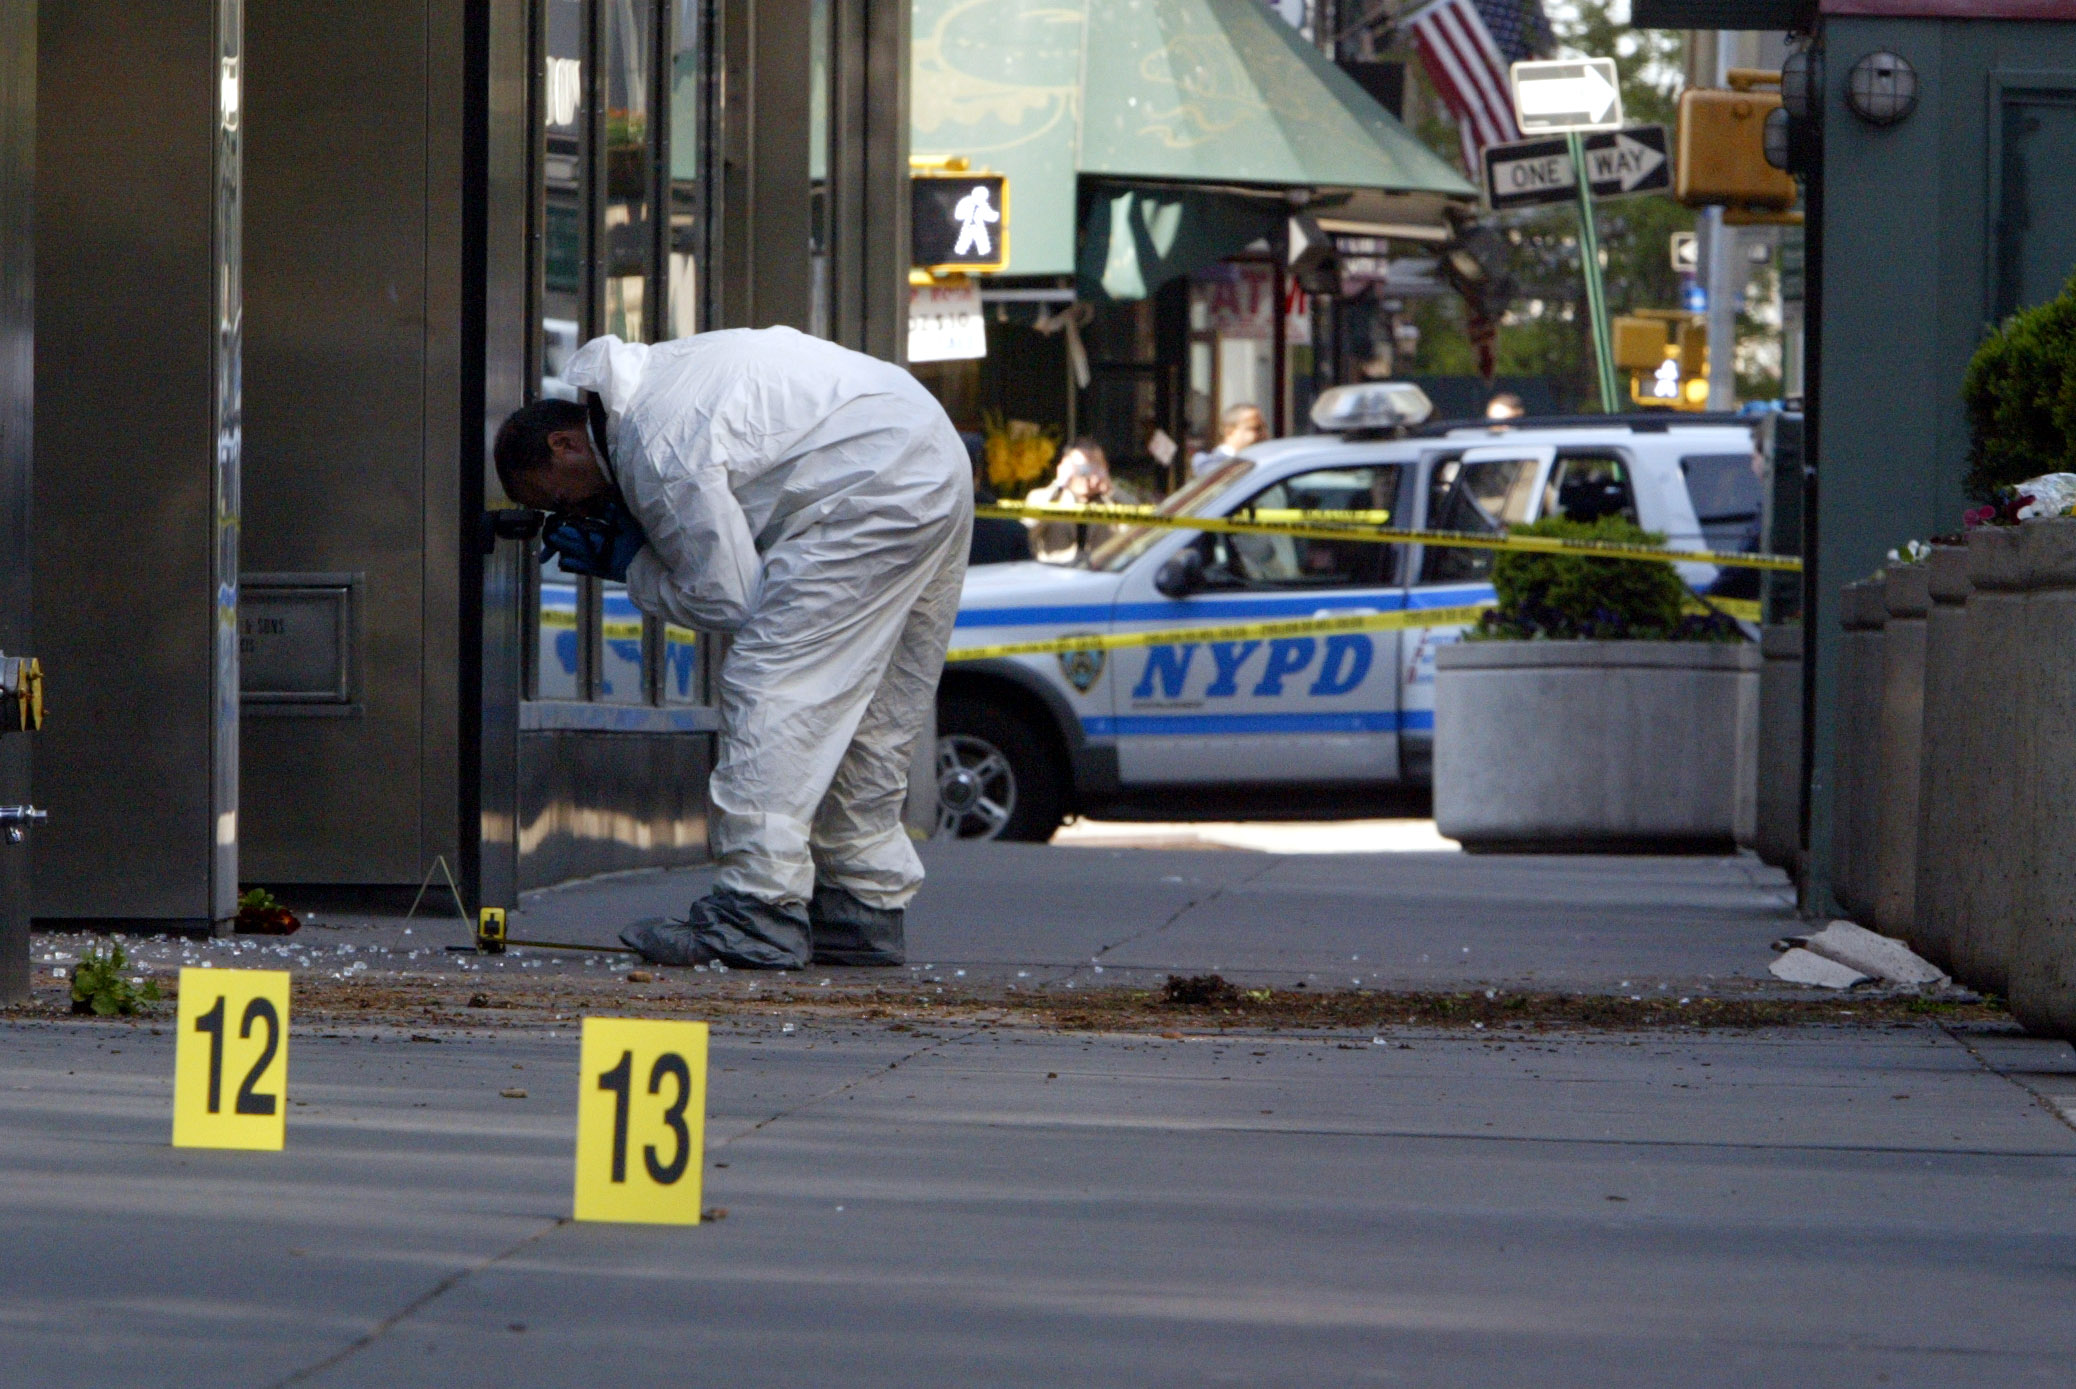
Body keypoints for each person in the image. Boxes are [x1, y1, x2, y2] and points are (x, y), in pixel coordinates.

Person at [492, 328, 973, 971]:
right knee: (874, 710)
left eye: (556, 496)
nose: (573, 510)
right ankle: (862, 904)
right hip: (925, 454)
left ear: (563, 443)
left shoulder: (651, 447)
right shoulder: (661, 387)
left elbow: (729, 598)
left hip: (871, 487)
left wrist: (633, 564)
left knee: (772, 686)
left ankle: (757, 910)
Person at [1022, 439, 1141, 564]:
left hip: (1101, 576)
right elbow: (1028, 532)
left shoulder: (1115, 501)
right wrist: (1059, 484)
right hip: (1056, 575)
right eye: (1080, 468)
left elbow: (1139, 531)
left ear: (1105, 467)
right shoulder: (1042, 498)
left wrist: (1110, 489)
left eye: (1095, 467)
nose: (1087, 475)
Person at [1189, 403, 1267, 476]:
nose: (1264, 434)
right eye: (1256, 429)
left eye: (1265, 428)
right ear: (1229, 431)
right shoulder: (1207, 464)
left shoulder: (1262, 460)